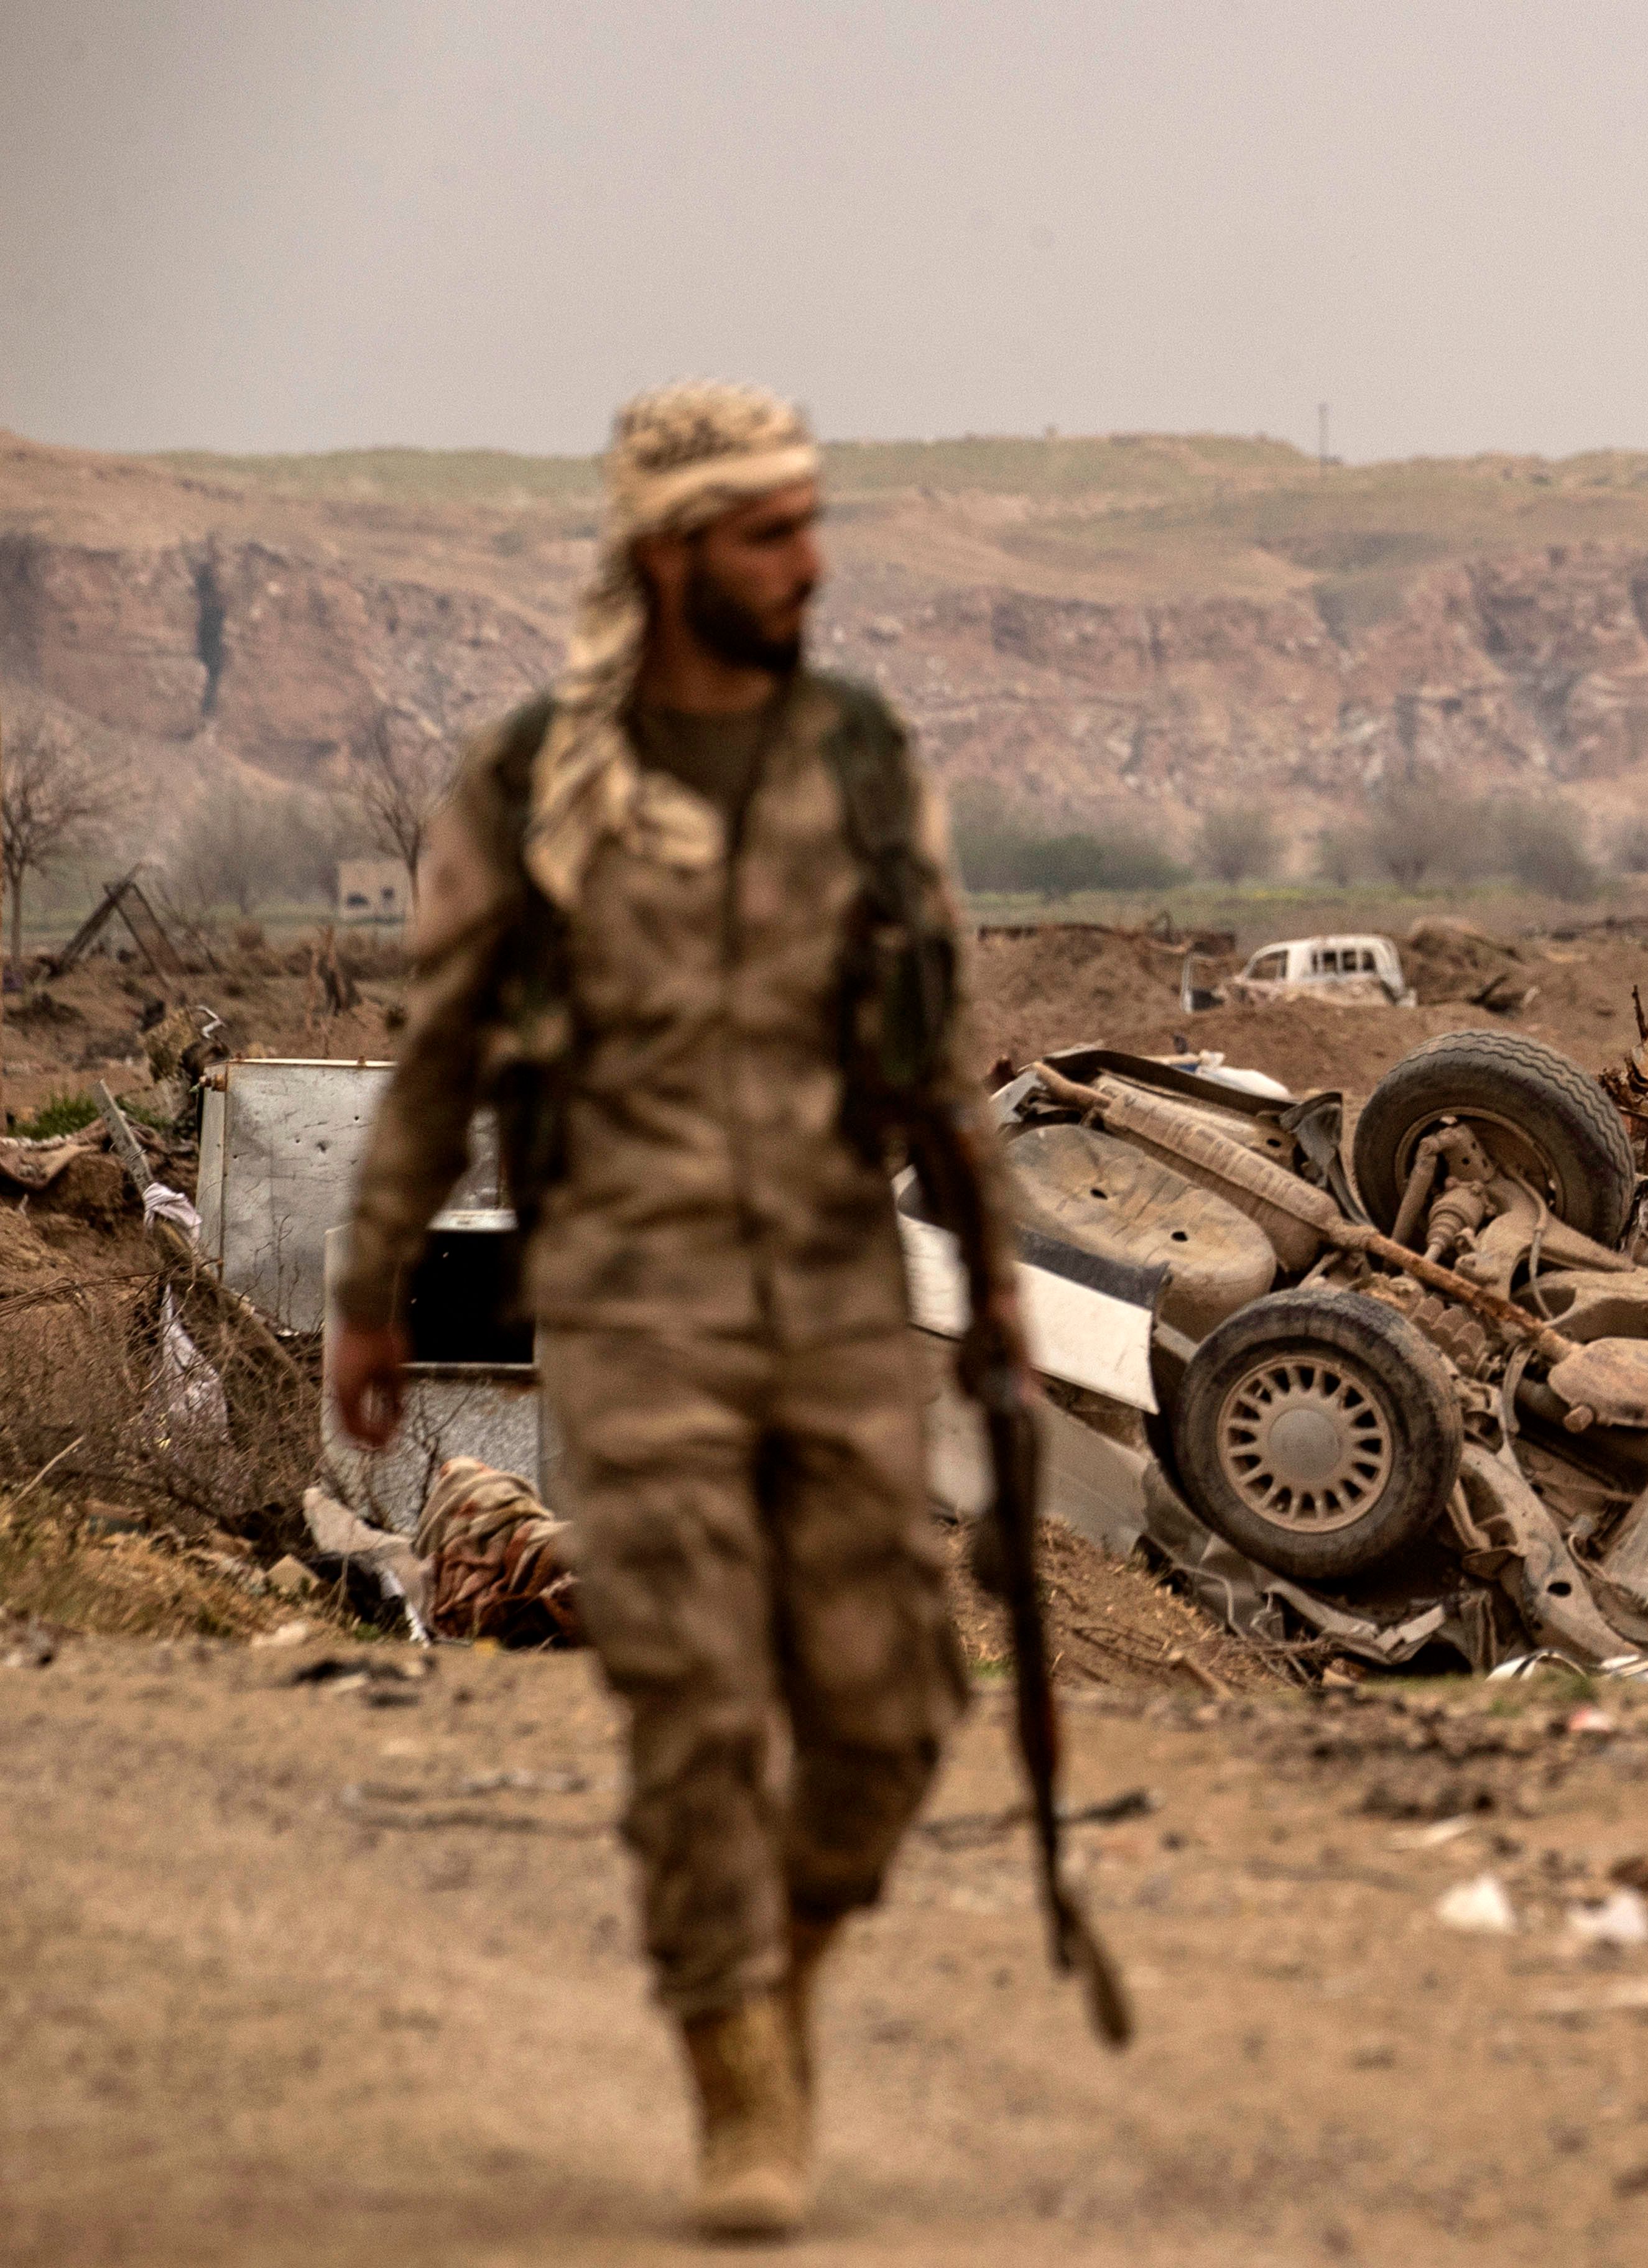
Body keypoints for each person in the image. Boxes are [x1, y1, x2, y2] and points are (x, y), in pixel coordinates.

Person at [330, 379, 1020, 2241]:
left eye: (813, 522)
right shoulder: (526, 785)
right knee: (698, 1693)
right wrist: (373, 1289)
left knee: (888, 1702)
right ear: (668, 555)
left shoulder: (862, 759)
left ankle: (780, 1969)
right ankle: (733, 2071)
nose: (808, 561)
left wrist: (996, 1269)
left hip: (827, 1281)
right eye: (767, 530)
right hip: (628, 1291)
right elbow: (441, 1046)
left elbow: (939, 1038)